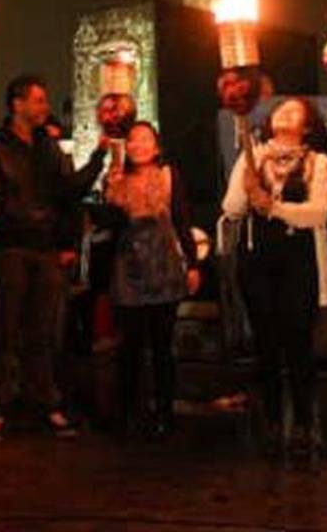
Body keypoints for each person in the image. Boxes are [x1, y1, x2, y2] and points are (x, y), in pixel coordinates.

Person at [0, 74, 108, 440]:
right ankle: (0, 406)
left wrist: (99, 157)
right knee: (7, 329)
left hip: (45, 248)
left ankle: (46, 402)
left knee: (43, 331)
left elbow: (68, 192)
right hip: (11, 247)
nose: (45, 107)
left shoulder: (47, 147)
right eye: (38, 100)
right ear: (17, 104)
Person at [222, 98, 327, 456]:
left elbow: (317, 212)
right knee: (266, 344)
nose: (284, 112)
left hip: (298, 262)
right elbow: (232, 208)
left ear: (307, 125)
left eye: (294, 110)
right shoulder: (253, 156)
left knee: (298, 344)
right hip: (257, 261)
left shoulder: (317, 162)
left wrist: (276, 207)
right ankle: (270, 419)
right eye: (280, 109)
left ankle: (304, 422)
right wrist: (246, 184)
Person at [104, 122, 200, 439]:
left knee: (162, 344)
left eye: (146, 139)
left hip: (163, 264)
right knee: (129, 345)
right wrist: (113, 188)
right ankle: (128, 411)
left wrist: (193, 264)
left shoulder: (169, 175)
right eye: (133, 139)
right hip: (128, 266)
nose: (139, 144)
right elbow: (109, 225)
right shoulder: (117, 176)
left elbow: (182, 220)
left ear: (156, 147)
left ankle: (164, 411)